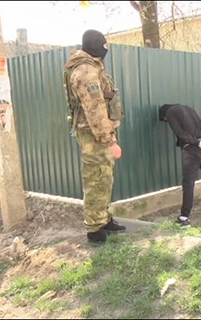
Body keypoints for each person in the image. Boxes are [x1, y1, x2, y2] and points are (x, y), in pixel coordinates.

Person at [63, 29, 126, 243]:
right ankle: (94, 229)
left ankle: (102, 219)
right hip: (94, 135)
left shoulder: (90, 66)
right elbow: (95, 109)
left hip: (96, 133)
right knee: (96, 180)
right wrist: (111, 140)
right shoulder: (86, 70)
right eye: (104, 46)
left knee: (104, 178)